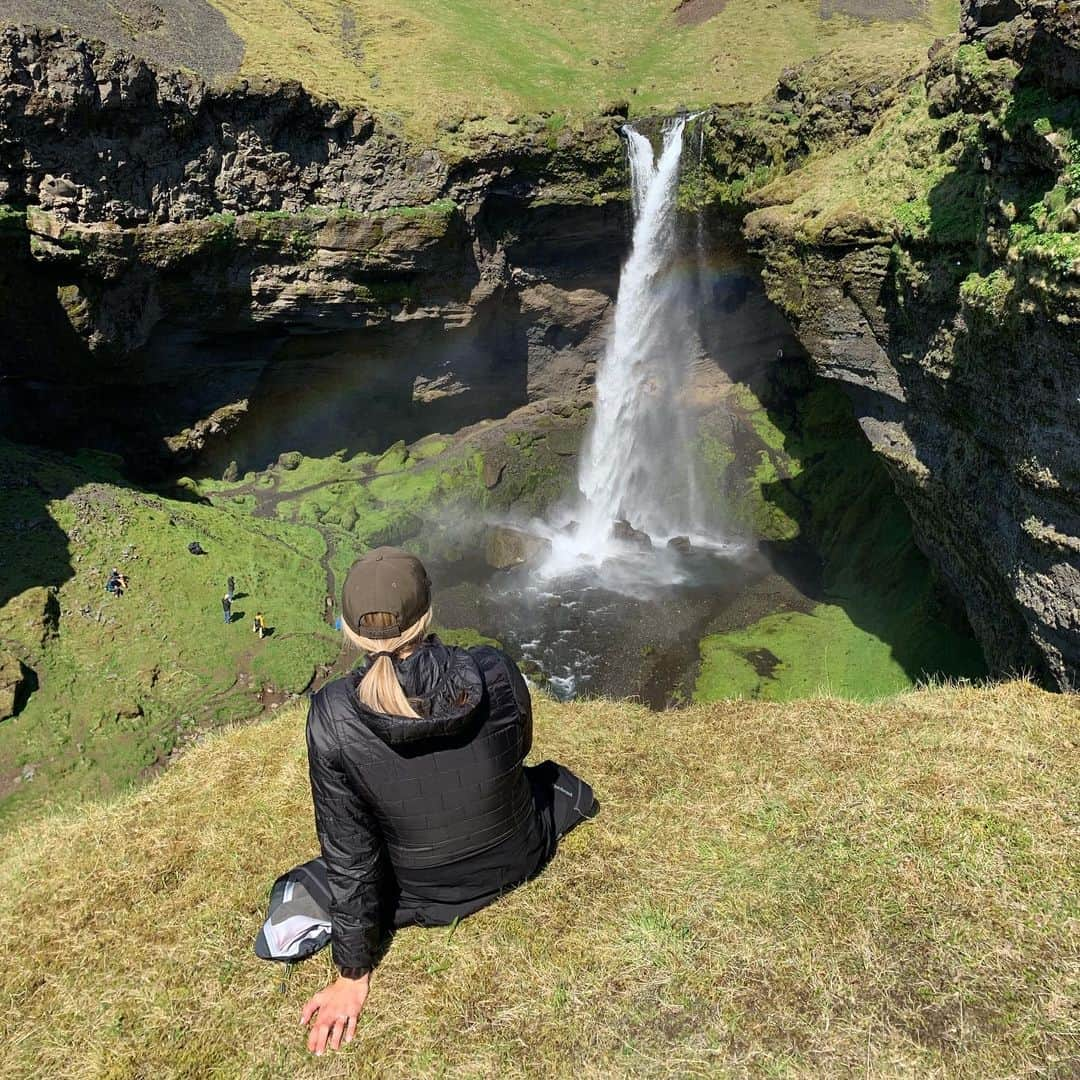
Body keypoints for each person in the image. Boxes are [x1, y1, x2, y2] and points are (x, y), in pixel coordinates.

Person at [300, 547, 597, 1056]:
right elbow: (518, 749)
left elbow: (350, 856)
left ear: (351, 633)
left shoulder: (333, 715)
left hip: (427, 896)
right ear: (428, 613)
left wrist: (353, 973)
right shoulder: (493, 669)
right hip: (519, 854)